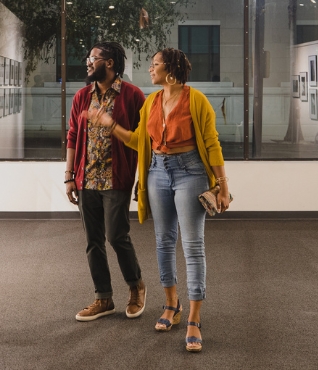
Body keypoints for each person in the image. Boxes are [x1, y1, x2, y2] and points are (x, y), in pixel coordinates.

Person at [87, 48, 230, 353]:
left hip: (190, 171)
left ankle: (194, 318)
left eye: (155, 65)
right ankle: (171, 305)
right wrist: (109, 124)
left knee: (192, 246)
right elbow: (140, 140)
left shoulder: (197, 100)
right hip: (157, 173)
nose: (150, 69)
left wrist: (223, 186)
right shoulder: (151, 101)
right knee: (164, 241)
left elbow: (211, 143)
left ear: (172, 69)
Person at [65, 41, 146, 322]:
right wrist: (69, 176)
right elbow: (73, 136)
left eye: (93, 58)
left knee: (116, 236)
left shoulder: (132, 96)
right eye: (88, 58)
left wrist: (143, 179)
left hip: (116, 178)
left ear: (109, 63)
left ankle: (136, 286)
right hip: (86, 178)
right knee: (93, 241)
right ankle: (103, 298)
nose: (87, 62)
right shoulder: (82, 96)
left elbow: (144, 140)